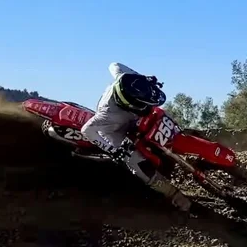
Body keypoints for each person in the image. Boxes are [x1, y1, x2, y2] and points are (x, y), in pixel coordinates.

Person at [80, 62, 191, 211]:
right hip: (115, 132)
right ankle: (173, 194)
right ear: (130, 104)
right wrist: (112, 150)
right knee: (136, 162)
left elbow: (114, 65)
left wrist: (142, 78)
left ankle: (182, 138)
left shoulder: (125, 77)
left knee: (162, 115)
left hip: (132, 117)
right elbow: (86, 130)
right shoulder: (106, 114)